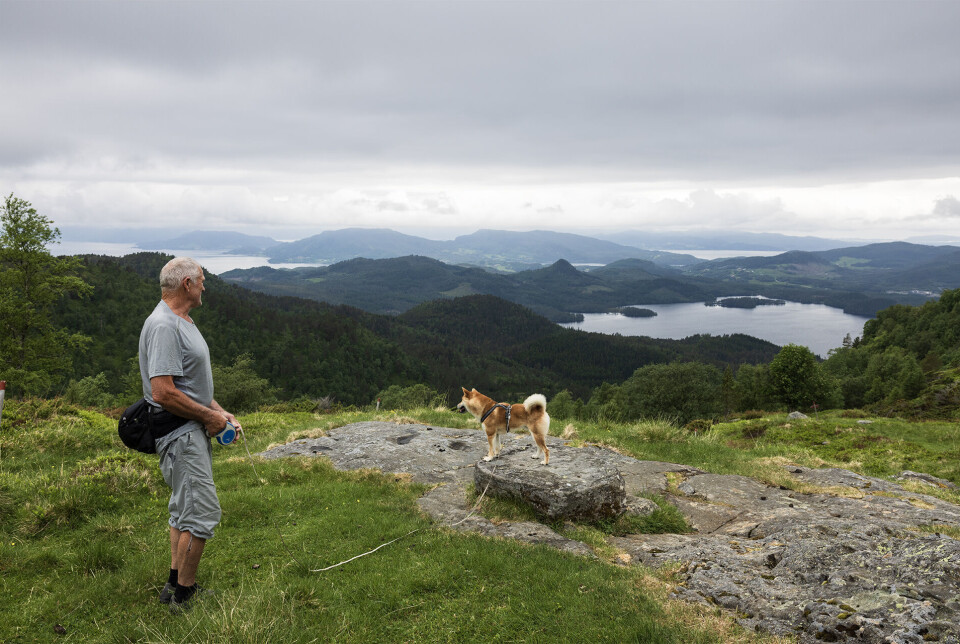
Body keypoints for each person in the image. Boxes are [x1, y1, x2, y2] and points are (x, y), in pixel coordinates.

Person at [139, 256, 241, 614]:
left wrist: (218, 412)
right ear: (186, 285)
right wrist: (208, 419)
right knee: (202, 514)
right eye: (201, 279)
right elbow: (164, 391)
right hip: (181, 435)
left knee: (183, 511)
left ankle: (173, 583)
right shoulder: (166, 326)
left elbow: (188, 384)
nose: (204, 285)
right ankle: (184, 596)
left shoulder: (179, 320)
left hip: (188, 429)